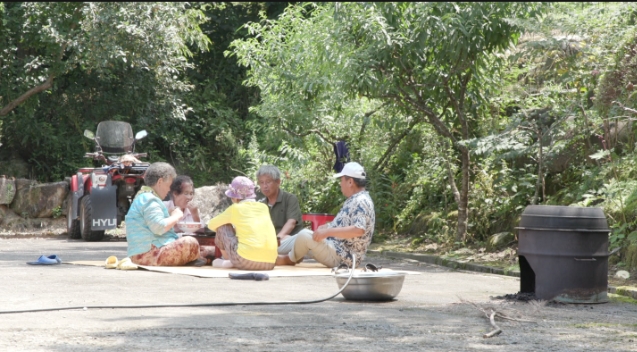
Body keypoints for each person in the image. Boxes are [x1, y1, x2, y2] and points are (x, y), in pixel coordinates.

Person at [276, 162, 375, 268]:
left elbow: (359, 229)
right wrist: (327, 227)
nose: (340, 184)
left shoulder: (361, 201)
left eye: (341, 180)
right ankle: (270, 250)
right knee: (291, 239)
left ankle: (289, 259)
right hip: (332, 248)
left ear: (350, 182)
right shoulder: (355, 199)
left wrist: (327, 232)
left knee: (304, 235)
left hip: (342, 257)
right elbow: (344, 224)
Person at [125, 162, 200, 266]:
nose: (170, 189)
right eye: (169, 185)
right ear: (160, 181)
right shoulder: (149, 199)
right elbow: (159, 227)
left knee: (205, 249)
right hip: (148, 254)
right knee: (190, 242)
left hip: (148, 252)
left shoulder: (146, 197)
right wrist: (176, 216)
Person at [207, 176, 278, 270]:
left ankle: (228, 260)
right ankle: (231, 261)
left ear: (235, 198)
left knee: (222, 226)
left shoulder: (235, 209)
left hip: (245, 261)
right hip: (270, 263)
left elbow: (211, 225)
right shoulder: (264, 207)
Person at [256, 165, 312, 255]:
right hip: (271, 244)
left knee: (302, 237)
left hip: (287, 241)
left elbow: (291, 223)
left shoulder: (290, 199)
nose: (264, 186)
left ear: (278, 182)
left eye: (268, 182)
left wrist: (278, 238)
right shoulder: (261, 204)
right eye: (261, 182)